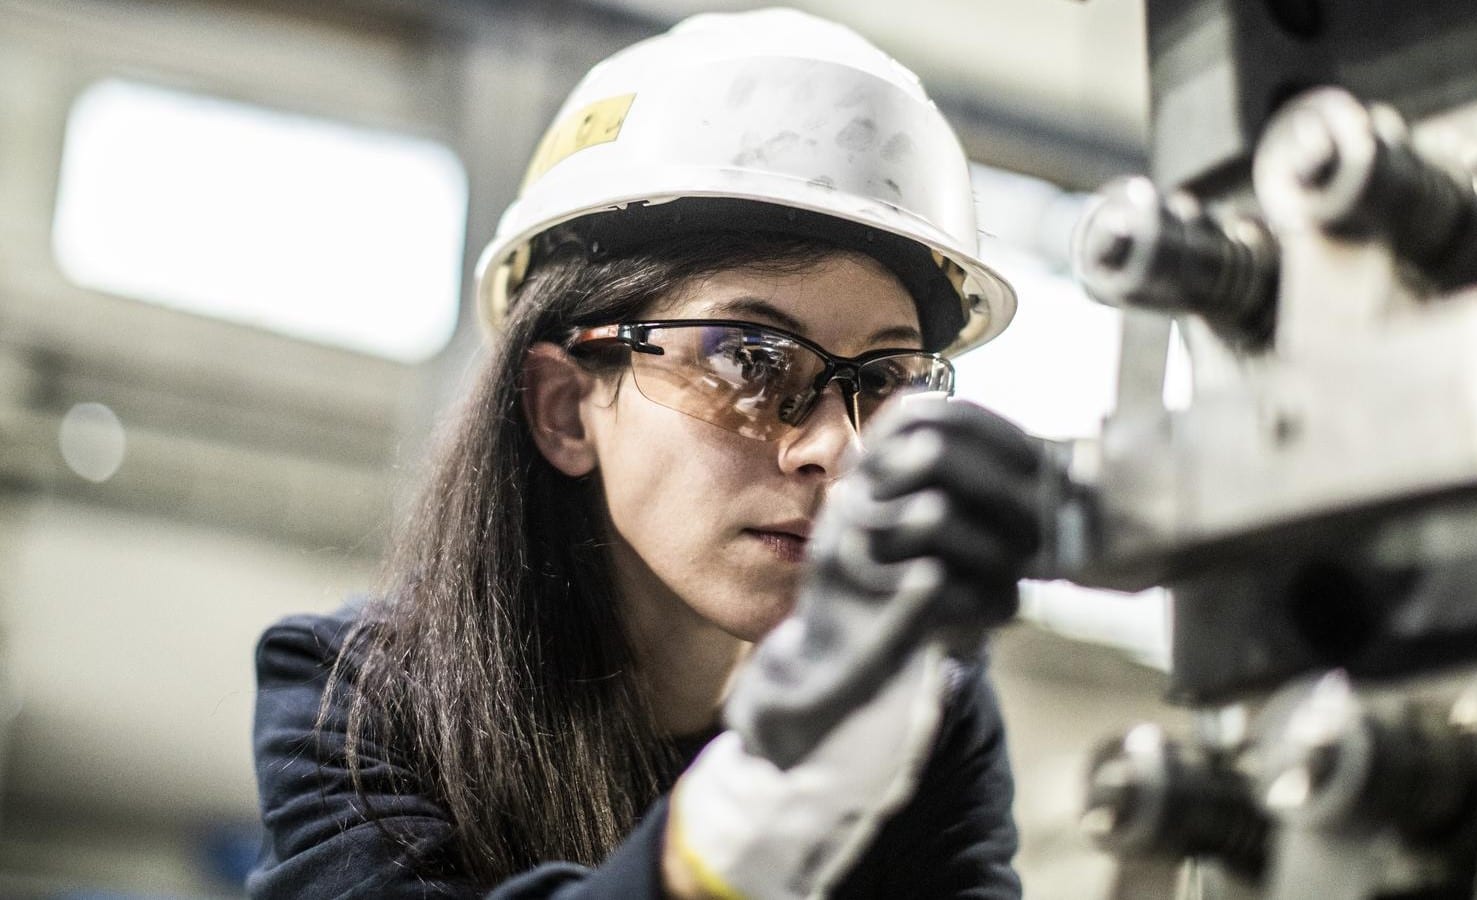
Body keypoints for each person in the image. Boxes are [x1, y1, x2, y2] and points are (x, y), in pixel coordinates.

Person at [247, 8, 1042, 899]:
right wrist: (737, 829)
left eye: (884, 378)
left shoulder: (925, 705)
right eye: (749, 357)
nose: (834, 445)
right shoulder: (356, 701)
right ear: (564, 411)